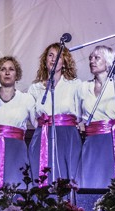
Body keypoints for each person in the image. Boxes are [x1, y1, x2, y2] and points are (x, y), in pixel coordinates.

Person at [78, 45, 115, 188]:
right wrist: (80, 123)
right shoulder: (83, 88)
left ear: (108, 62)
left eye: (97, 58)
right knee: (89, 182)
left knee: (111, 183)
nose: (92, 61)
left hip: (112, 142)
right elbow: (78, 115)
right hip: (91, 143)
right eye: (90, 58)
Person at [27, 43, 82, 183]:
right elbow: (32, 115)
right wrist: (43, 125)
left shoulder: (74, 85)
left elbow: (82, 110)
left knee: (67, 174)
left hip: (67, 136)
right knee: (42, 175)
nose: (53, 59)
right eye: (50, 55)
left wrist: (77, 124)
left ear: (64, 62)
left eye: (58, 56)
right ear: (45, 60)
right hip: (42, 135)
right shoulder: (35, 88)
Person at [0, 55, 35, 187]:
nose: (7, 72)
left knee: (17, 187)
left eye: (11, 69)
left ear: (16, 74)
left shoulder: (26, 99)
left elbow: (38, 125)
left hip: (17, 150)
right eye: (3, 69)